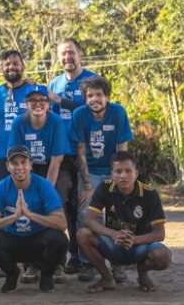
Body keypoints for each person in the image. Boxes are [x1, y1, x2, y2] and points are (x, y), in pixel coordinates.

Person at [77, 152, 171, 293]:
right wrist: (113, 234)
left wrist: (135, 240)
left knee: (163, 256)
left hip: (140, 247)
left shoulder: (150, 194)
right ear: (112, 174)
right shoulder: (105, 187)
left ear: (136, 173)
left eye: (128, 171)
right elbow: (89, 219)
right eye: (118, 171)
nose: (123, 175)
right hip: (113, 243)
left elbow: (159, 233)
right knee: (82, 234)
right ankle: (106, 278)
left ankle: (142, 272)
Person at [72, 76, 134, 281]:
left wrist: (121, 177)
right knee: (87, 214)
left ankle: (119, 263)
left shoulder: (118, 112)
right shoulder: (79, 115)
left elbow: (122, 148)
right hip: (89, 171)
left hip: (113, 170)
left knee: (119, 215)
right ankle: (88, 262)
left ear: (107, 96)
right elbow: (80, 151)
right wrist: (88, 185)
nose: (94, 99)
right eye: (90, 95)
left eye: (98, 95)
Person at [0, 146, 68, 293]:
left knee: (60, 239)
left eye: (23, 162)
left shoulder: (44, 185)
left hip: (38, 241)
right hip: (13, 240)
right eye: (14, 163)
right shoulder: (0, 188)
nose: (19, 167)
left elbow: (61, 223)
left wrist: (30, 214)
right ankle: (11, 273)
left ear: (30, 165)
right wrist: (14, 216)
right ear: (8, 167)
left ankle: (46, 275)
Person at [8, 85, 70, 283]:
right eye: (33, 101)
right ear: (26, 104)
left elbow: (57, 159)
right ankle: (32, 263)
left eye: (42, 100)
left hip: (55, 169)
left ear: (48, 104)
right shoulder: (19, 122)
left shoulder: (56, 122)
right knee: (28, 206)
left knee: (54, 206)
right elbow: (14, 157)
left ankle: (58, 263)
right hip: (27, 169)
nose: (38, 104)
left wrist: (46, 192)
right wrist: (23, 185)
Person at [48, 37, 98, 273]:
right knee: (64, 203)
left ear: (80, 54)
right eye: (63, 54)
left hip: (89, 153)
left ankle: (90, 260)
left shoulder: (91, 80)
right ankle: (72, 254)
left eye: (71, 52)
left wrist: (61, 101)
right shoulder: (55, 83)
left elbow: (92, 110)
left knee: (85, 205)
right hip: (63, 154)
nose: (67, 57)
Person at [0, 50, 38, 184]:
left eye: (15, 63)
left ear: (23, 66)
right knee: (7, 200)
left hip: (29, 155)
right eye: (7, 64)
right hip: (3, 156)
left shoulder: (33, 90)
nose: (11, 67)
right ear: (2, 68)